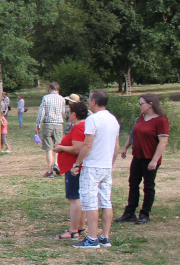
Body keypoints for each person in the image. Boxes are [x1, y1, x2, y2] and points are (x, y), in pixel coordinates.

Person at [71, 89, 120, 249]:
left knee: (91, 202)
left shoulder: (93, 120)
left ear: (93, 102)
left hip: (93, 166)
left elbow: (87, 145)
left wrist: (78, 164)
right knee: (106, 201)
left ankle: (92, 238)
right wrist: (110, 163)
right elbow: (117, 146)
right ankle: (105, 236)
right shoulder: (113, 120)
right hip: (106, 166)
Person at [117, 93, 169, 225]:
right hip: (137, 156)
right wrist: (125, 147)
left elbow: (163, 142)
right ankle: (130, 212)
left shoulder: (161, 120)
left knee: (148, 186)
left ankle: (145, 214)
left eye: (141, 103)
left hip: (150, 158)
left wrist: (154, 160)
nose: (139, 106)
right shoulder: (141, 117)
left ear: (150, 104)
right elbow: (133, 133)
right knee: (133, 184)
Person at [53, 100, 89, 239]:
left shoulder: (80, 127)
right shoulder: (82, 126)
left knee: (74, 199)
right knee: (78, 198)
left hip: (74, 168)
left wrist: (61, 148)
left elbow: (77, 148)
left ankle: (73, 230)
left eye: (68, 112)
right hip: (75, 167)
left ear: (74, 114)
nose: (67, 115)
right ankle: (81, 228)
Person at [35, 82, 67, 177]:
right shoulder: (62, 99)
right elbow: (63, 111)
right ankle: (56, 164)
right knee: (57, 146)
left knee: (49, 148)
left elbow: (41, 112)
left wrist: (38, 124)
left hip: (48, 124)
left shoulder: (46, 98)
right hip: (58, 124)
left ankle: (49, 171)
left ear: (50, 89)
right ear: (58, 89)